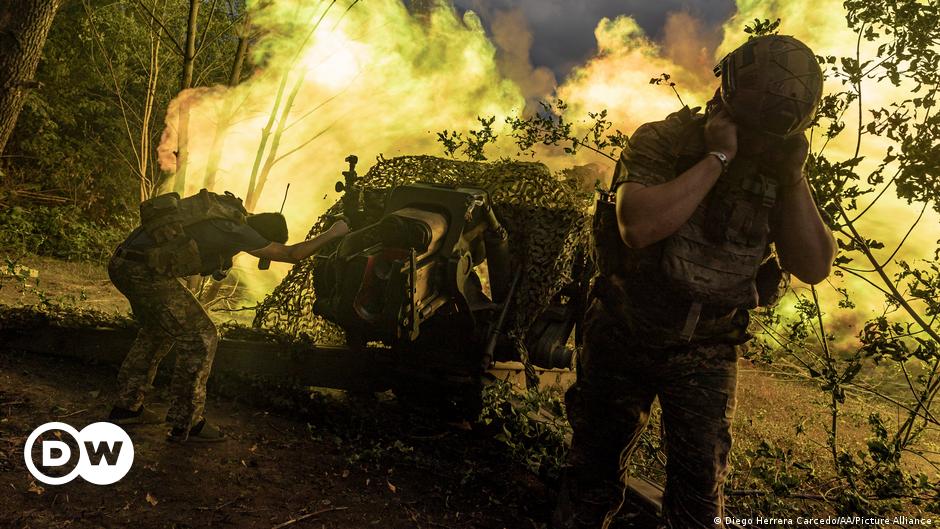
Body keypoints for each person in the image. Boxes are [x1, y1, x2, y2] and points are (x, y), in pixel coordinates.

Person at [552, 35, 836, 528]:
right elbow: (637, 227)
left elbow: (813, 265)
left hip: (707, 344)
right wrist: (718, 159)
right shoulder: (667, 139)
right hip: (627, 326)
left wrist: (793, 176)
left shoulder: (779, 163)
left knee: (699, 498)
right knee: (591, 478)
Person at [106, 188, 349, 442]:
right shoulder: (238, 231)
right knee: (202, 336)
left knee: (158, 332)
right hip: (142, 274)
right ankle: (187, 423)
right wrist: (334, 232)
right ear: (259, 235)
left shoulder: (228, 215)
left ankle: (126, 407)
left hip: (123, 263)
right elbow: (292, 254)